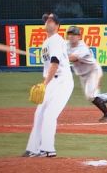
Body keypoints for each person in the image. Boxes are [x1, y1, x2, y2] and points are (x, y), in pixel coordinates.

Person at [22, 13, 74, 157]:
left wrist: (44, 84)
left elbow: (55, 63)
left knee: (50, 114)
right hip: (51, 82)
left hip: (63, 81)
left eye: (51, 20)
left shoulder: (56, 40)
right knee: (39, 113)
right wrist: (46, 83)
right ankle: (33, 149)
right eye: (46, 20)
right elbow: (48, 68)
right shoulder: (47, 42)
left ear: (57, 26)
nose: (48, 21)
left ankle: (48, 149)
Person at [66, 26, 107, 122]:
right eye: (69, 34)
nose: (71, 36)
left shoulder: (82, 47)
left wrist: (57, 58)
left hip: (93, 71)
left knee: (92, 95)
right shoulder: (66, 45)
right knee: (91, 97)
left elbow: (72, 58)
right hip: (83, 75)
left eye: (74, 34)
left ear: (79, 37)